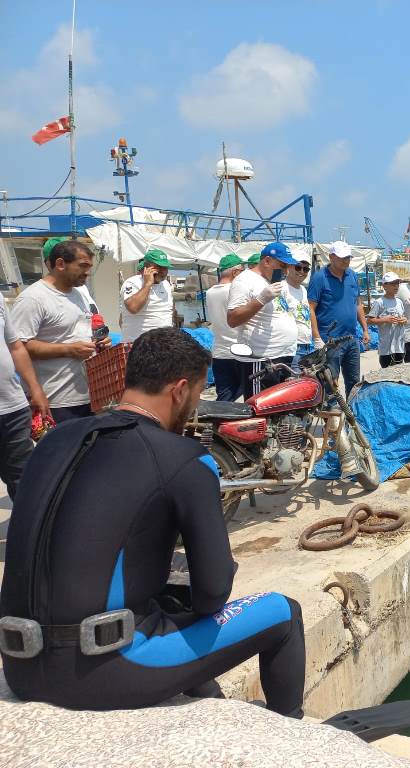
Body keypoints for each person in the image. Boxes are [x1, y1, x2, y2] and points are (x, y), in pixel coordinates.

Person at [0, 328, 305, 715]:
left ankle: (207, 699)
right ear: (179, 390)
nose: (192, 410)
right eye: (194, 398)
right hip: (105, 672)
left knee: (163, 597)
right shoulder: (184, 458)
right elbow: (213, 593)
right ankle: (293, 732)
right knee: (283, 611)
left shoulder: (54, 443)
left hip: (21, 666)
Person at [11, 239, 111, 423]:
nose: (88, 272)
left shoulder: (79, 294)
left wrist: (99, 342)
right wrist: (69, 350)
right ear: (60, 264)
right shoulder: (33, 298)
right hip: (54, 400)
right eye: (82, 266)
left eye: (89, 266)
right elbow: (19, 346)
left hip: (87, 395)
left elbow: (75, 332)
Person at [227, 241, 299, 398]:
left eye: (288, 267)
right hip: (261, 361)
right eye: (282, 265)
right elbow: (232, 319)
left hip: (283, 356)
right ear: (267, 261)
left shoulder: (274, 280)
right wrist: (261, 299)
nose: (286, 271)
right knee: (260, 410)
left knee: (279, 410)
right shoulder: (244, 280)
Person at [0, 301, 50, 499]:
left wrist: (35, 388)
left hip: (14, 408)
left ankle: (29, 529)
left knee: (25, 480)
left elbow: (15, 347)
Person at [307, 241, 370, 396]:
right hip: (330, 341)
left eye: (348, 257)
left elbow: (358, 304)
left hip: (352, 338)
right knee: (330, 382)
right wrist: (316, 337)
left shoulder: (352, 275)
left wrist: (365, 329)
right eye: (342, 257)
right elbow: (310, 308)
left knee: (354, 381)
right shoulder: (320, 278)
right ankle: (332, 417)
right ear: (331, 257)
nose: (345, 261)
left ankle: (352, 415)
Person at [205, 253, 245, 401]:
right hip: (239, 352)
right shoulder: (234, 291)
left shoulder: (209, 293)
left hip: (219, 352)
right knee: (243, 396)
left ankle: (219, 423)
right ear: (235, 272)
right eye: (242, 271)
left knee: (224, 394)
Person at [119, 249, 174, 343]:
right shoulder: (132, 282)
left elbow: (170, 310)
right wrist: (148, 284)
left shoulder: (166, 285)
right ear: (146, 267)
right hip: (138, 345)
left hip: (164, 344)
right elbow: (133, 308)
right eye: (159, 267)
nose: (163, 271)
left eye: (165, 268)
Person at [368, 272, 406, 368]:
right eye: (393, 283)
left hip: (399, 346)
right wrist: (385, 319)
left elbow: (404, 316)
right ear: (385, 285)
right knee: (387, 375)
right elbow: (369, 320)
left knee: (399, 373)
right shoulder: (379, 302)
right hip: (386, 348)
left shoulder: (399, 301)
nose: (396, 286)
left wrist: (404, 320)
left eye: (397, 283)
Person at [285, 254, 314, 368]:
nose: (302, 271)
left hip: (306, 345)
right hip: (292, 347)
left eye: (306, 269)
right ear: (289, 267)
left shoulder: (303, 290)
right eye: (298, 267)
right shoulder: (282, 288)